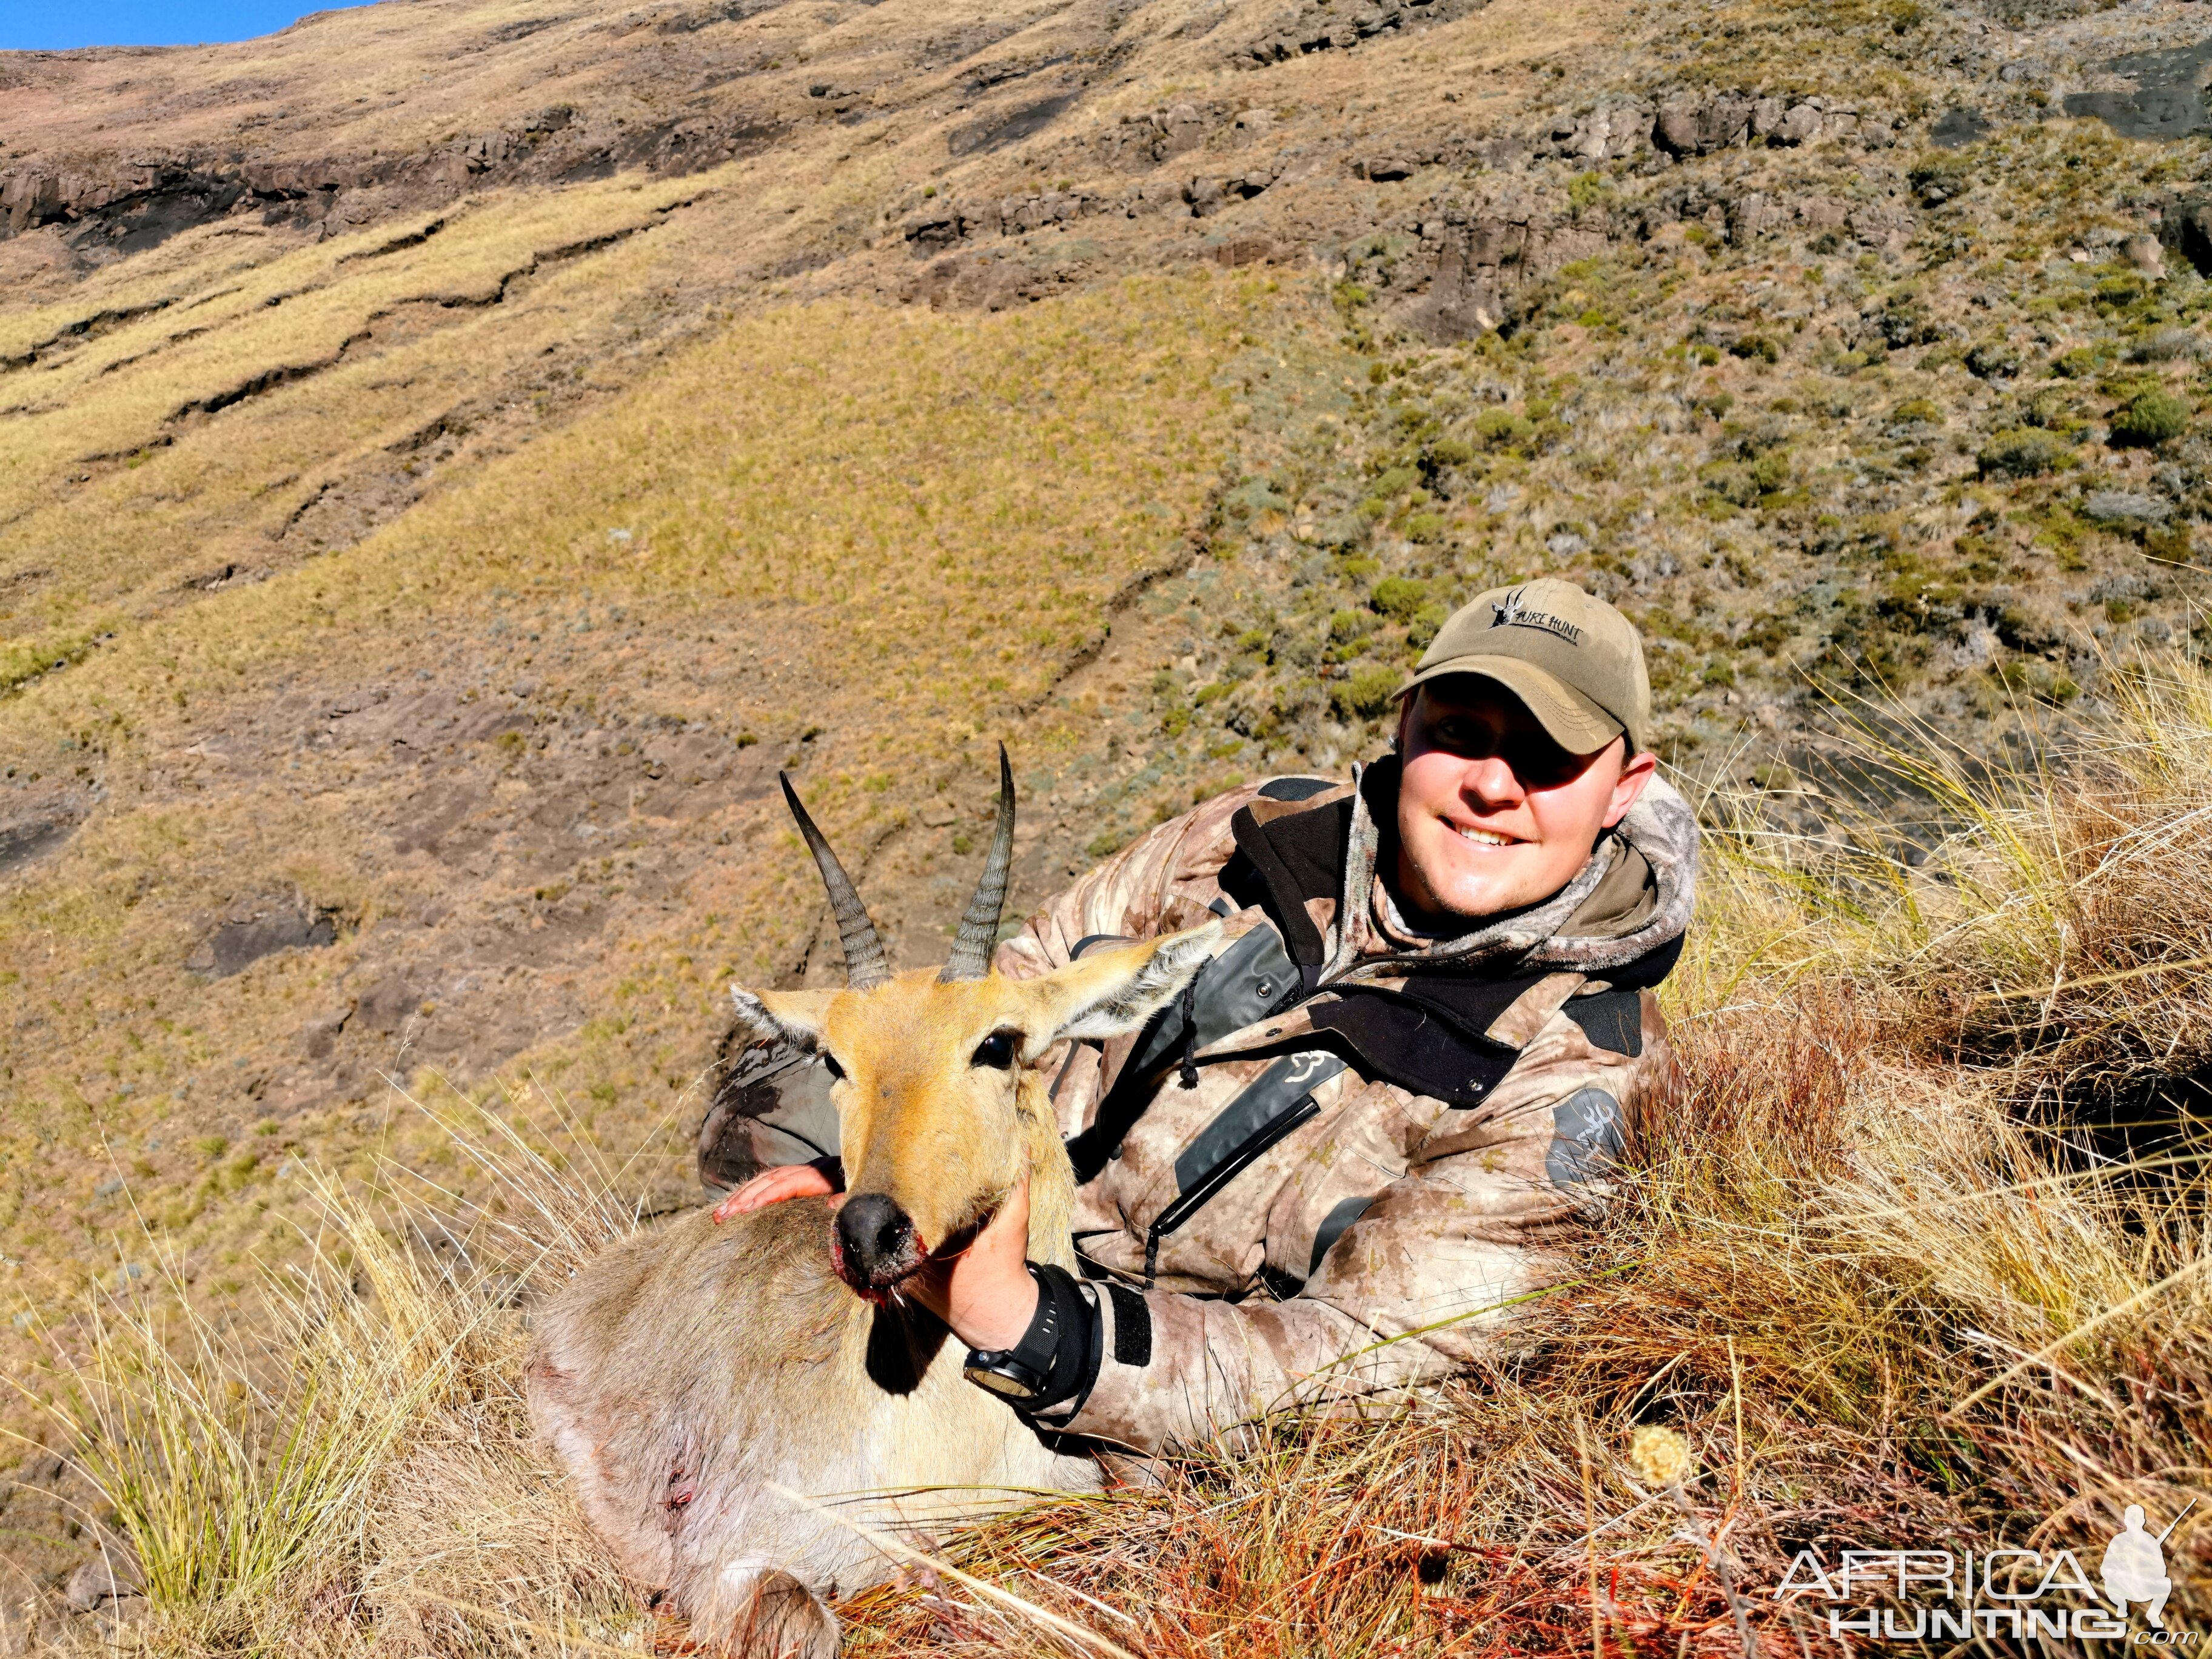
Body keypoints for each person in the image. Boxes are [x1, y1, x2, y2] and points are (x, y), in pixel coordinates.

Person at [696, 576, 1698, 1454]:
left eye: (1545, 760)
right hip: (1009, 1215)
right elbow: (1022, 978)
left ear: (1625, 788)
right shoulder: (1253, 834)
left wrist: (1029, 1322)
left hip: (1131, 1388)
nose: (1489, 786)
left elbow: (1366, 1366)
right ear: (1405, 727)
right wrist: (881, 1169)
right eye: (1459, 737)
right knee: (771, 1092)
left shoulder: (1580, 1070)